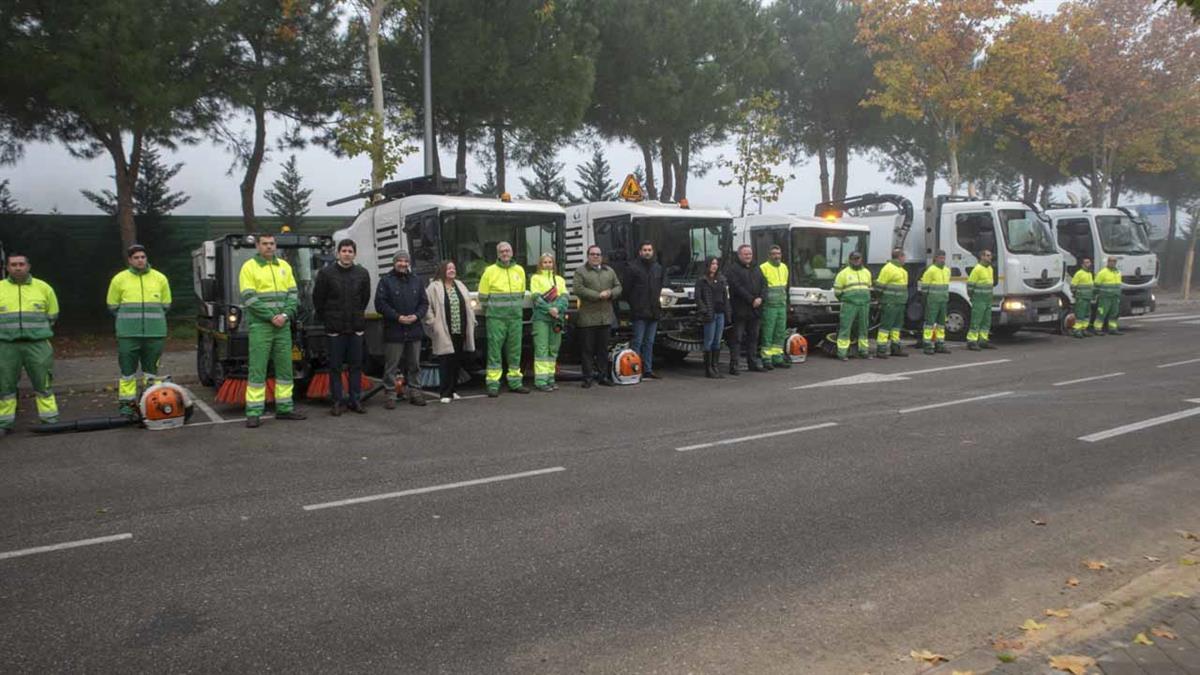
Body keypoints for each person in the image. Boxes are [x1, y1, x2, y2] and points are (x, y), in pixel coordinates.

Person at [239, 233, 306, 427]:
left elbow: (293, 295)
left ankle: (285, 409)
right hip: (261, 326)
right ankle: (253, 412)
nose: (269, 247)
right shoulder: (249, 267)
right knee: (257, 370)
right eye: (265, 244)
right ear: (258, 246)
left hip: (283, 325)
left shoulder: (284, 267)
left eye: (272, 243)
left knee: (285, 368)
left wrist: (285, 316)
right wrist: (271, 317)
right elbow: (249, 298)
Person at [105, 244, 172, 417]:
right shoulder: (119, 279)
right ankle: (127, 405)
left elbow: (166, 305)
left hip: (155, 334)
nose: (140, 260)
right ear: (130, 260)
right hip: (128, 335)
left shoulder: (160, 278)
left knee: (151, 373)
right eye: (136, 257)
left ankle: (149, 404)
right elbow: (112, 305)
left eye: (143, 257)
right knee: (128, 373)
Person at [0, 253, 59, 434]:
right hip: (6, 345)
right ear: (7, 268)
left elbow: (52, 315)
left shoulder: (43, 288)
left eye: (21, 264)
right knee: (5, 385)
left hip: (38, 344)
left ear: (28, 266)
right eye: (13, 264)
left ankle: (49, 420)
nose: (18, 267)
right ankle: (4, 423)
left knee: (43, 383)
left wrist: (36, 332)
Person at [313, 239, 371, 415]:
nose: (347, 254)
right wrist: (329, 320)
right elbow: (318, 300)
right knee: (335, 367)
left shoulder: (362, 273)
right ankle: (337, 401)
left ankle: (355, 400)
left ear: (354, 254)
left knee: (356, 366)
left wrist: (357, 317)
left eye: (350, 251)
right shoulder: (326, 273)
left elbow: (364, 299)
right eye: (344, 251)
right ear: (338, 253)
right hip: (335, 330)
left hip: (355, 328)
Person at [376, 250, 429, 408]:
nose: (403, 264)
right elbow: (380, 304)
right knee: (392, 366)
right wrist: (397, 317)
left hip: (414, 329)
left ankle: (415, 392)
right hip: (394, 329)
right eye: (399, 261)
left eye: (406, 261)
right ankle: (390, 395)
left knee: (414, 364)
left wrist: (417, 316)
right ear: (394, 263)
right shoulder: (385, 281)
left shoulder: (416, 280)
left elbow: (424, 303)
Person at [478, 241, 529, 397]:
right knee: (494, 351)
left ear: (512, 252)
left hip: (515, 318)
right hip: (496, 318)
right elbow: (483, 297)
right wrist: (494, 310)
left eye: (507, 250)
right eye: (502, 251)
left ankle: (515, 382)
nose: (505, 253)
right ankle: (493, 384)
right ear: (497, 254)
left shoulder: (519, 270)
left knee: (515, 352)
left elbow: (521, 293)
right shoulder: (489, 271)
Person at [424, 260, 476, 403]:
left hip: (460, 329)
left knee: (456, 362)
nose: (452, 270)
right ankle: (444, 393)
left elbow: (468, 305)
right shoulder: (434, 287)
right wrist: (432, 322)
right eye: (448, 268)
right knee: (445, 362)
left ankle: (453, 391)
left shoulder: (460, 285)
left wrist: (472, 321)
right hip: (443, 330)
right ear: (442, 271)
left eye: (453, 268)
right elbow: (426, 306)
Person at [573, 244, 622, 388]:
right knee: (587, 350)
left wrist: (611, 293)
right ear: (588, 256)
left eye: (598, 254)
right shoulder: (580, 271)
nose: (596, 257)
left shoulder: (609, 271)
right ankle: (587, 378)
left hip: (605, 317)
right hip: (587, 318)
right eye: (593, 254)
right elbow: (578, 289)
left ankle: (603, 377)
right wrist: (598, 295)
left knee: (603, 350)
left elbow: (618, 286)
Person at [624, 241, 665, 379]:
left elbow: (659, 287)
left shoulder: (657, 268)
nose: (647, 252)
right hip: (639, 311)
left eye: (649, 250)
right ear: (640, 252)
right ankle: (635, 370)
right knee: (638, 342)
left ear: (652, 252)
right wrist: (635, 304)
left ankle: (648, 370)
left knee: (650, 342)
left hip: (653, 311)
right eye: (645, 250)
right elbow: (627, 290)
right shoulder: (632, 267)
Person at [529, 252, 569, 392]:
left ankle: (550, 379)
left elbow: (564, 297)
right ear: (540, 264)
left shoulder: (560, 280)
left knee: (553, 350)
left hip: (556, 319)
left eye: (550, 262)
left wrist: (557, 309)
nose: (547, 264)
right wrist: (549, 309)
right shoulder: (535, 278)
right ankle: (541, 381)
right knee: (541, 349)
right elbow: (536, 297)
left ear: (553, 264)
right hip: (541, 319)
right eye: (544, 262)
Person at [726, 244, 766, 374]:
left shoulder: (757, 268)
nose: (748, 256)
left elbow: (764, 284)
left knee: (754, 337)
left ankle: (752, 363)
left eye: (750, 254)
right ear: (739, 255)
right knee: (737, 338)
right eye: (745, 254)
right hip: (740, 310)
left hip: (756, 310)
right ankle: (734, 365)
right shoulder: (733, 269)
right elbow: (737, 287)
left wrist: (761, 298)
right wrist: (751, 299)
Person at [695, 256, 731, 379]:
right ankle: (708, 368)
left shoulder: (721, 279)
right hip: (710, 313)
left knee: (717, 341)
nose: (714, 266)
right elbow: (698, 297)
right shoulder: (702, 280)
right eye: (712, 264)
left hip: (720, 312)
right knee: (708, 341)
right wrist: (704, 309)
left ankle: (715, 367)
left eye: (716, 263)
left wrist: (728, 312)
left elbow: (726, 297)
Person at [833, 251, 873, 361]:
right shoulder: (843, 273)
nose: (856, 260)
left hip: (864, 304)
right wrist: (847, 300)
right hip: (849, 305)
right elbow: (837, 292)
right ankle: (842, 353)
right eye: (854, 259)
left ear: (861, 259)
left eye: (858, 258)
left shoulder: (867, 272)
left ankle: (863, 351)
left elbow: (869, 287)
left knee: (864, 328)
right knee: (846, 328)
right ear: (850, 260)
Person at [759, 245, 790, 369]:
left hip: (781, 305)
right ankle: (766, 358)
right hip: (769, 306)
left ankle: (778, 357)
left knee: (780, 333)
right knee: (768, 332)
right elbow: (761, 287)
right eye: (774, 254)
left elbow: (784, 286)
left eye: (778, 253)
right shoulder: (763, 268)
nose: (777, 256)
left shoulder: (784, 267)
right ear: (769, 255)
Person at [875, 248, 909, 358]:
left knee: (896, 327)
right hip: (890, 303)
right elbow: (879, 286)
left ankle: (895, 348)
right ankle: (881, 349)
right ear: (899, 257)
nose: (905, 259)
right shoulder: (888, 268)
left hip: (900, 303)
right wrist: (880, 299)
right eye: (904, 257)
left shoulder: (903, 270)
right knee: (886, 327)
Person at [919, 249, 951, 355]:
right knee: (930, 323)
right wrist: (925, 300)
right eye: (940, 258)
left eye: (943, 258)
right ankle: (927, 345)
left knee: (941, 324)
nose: (942, 260)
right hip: (932, 301)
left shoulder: (947, 270)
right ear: (935, 258)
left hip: (943, 300)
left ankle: (940, 344)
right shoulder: (931, 270)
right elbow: (924, 287)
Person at [966, 249, 997, 351]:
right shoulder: (977, 269)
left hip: (987, 298)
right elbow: (970, 285)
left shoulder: (990, 269)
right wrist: (972, 297)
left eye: (990, 255)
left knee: (986, 321)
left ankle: (983, 340)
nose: (990, 257)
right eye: (987, 255)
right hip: (979, 299)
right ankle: (971, 341)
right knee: (976, 321)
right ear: (982, 257)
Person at [1094, 256, 1123, 336]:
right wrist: (1095, 294)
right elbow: (1096, 284)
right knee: (1102, 313)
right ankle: (1097, 329)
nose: (1113, 262)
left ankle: (1112, 328)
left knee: (1114, 313)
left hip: (1115, 297)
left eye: (1114, 261)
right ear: (1108, 262)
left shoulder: (1118, 272)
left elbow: (1118, 284)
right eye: (1111, 261)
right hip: (1105, 297)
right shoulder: (1103, 272)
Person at [1070, 257, 1096, 338]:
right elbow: (1073, 285)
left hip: (1088, 298)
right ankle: (1077, 330)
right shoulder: (1079, 273)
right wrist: (1076, 294)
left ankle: (1084, 329)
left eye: (1089, 262)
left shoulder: (1089, 274)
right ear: (1082, 264)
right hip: (1081, 298)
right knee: (1080, 315)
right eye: (1087, 262)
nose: (1089, 264)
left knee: (1087, 315)